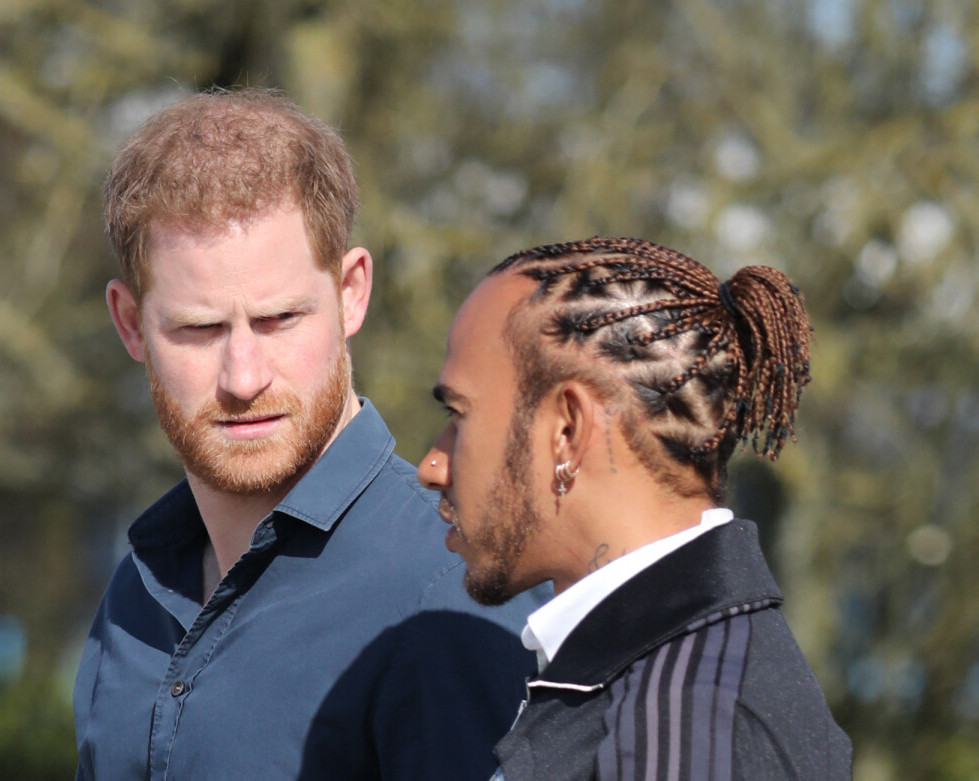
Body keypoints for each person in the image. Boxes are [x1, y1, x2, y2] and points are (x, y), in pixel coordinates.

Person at [72, 88, 542, 780]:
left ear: (352, 291)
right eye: (199, 328)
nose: (243, 374)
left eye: (280, 318)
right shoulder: (135, 595)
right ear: (129, 323)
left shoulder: (455, 590)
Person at [418, 236, 852, 779]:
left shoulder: (677, 729)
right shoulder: (663, 692)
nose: (432, 466)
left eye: (459, 416)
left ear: (567, 430)